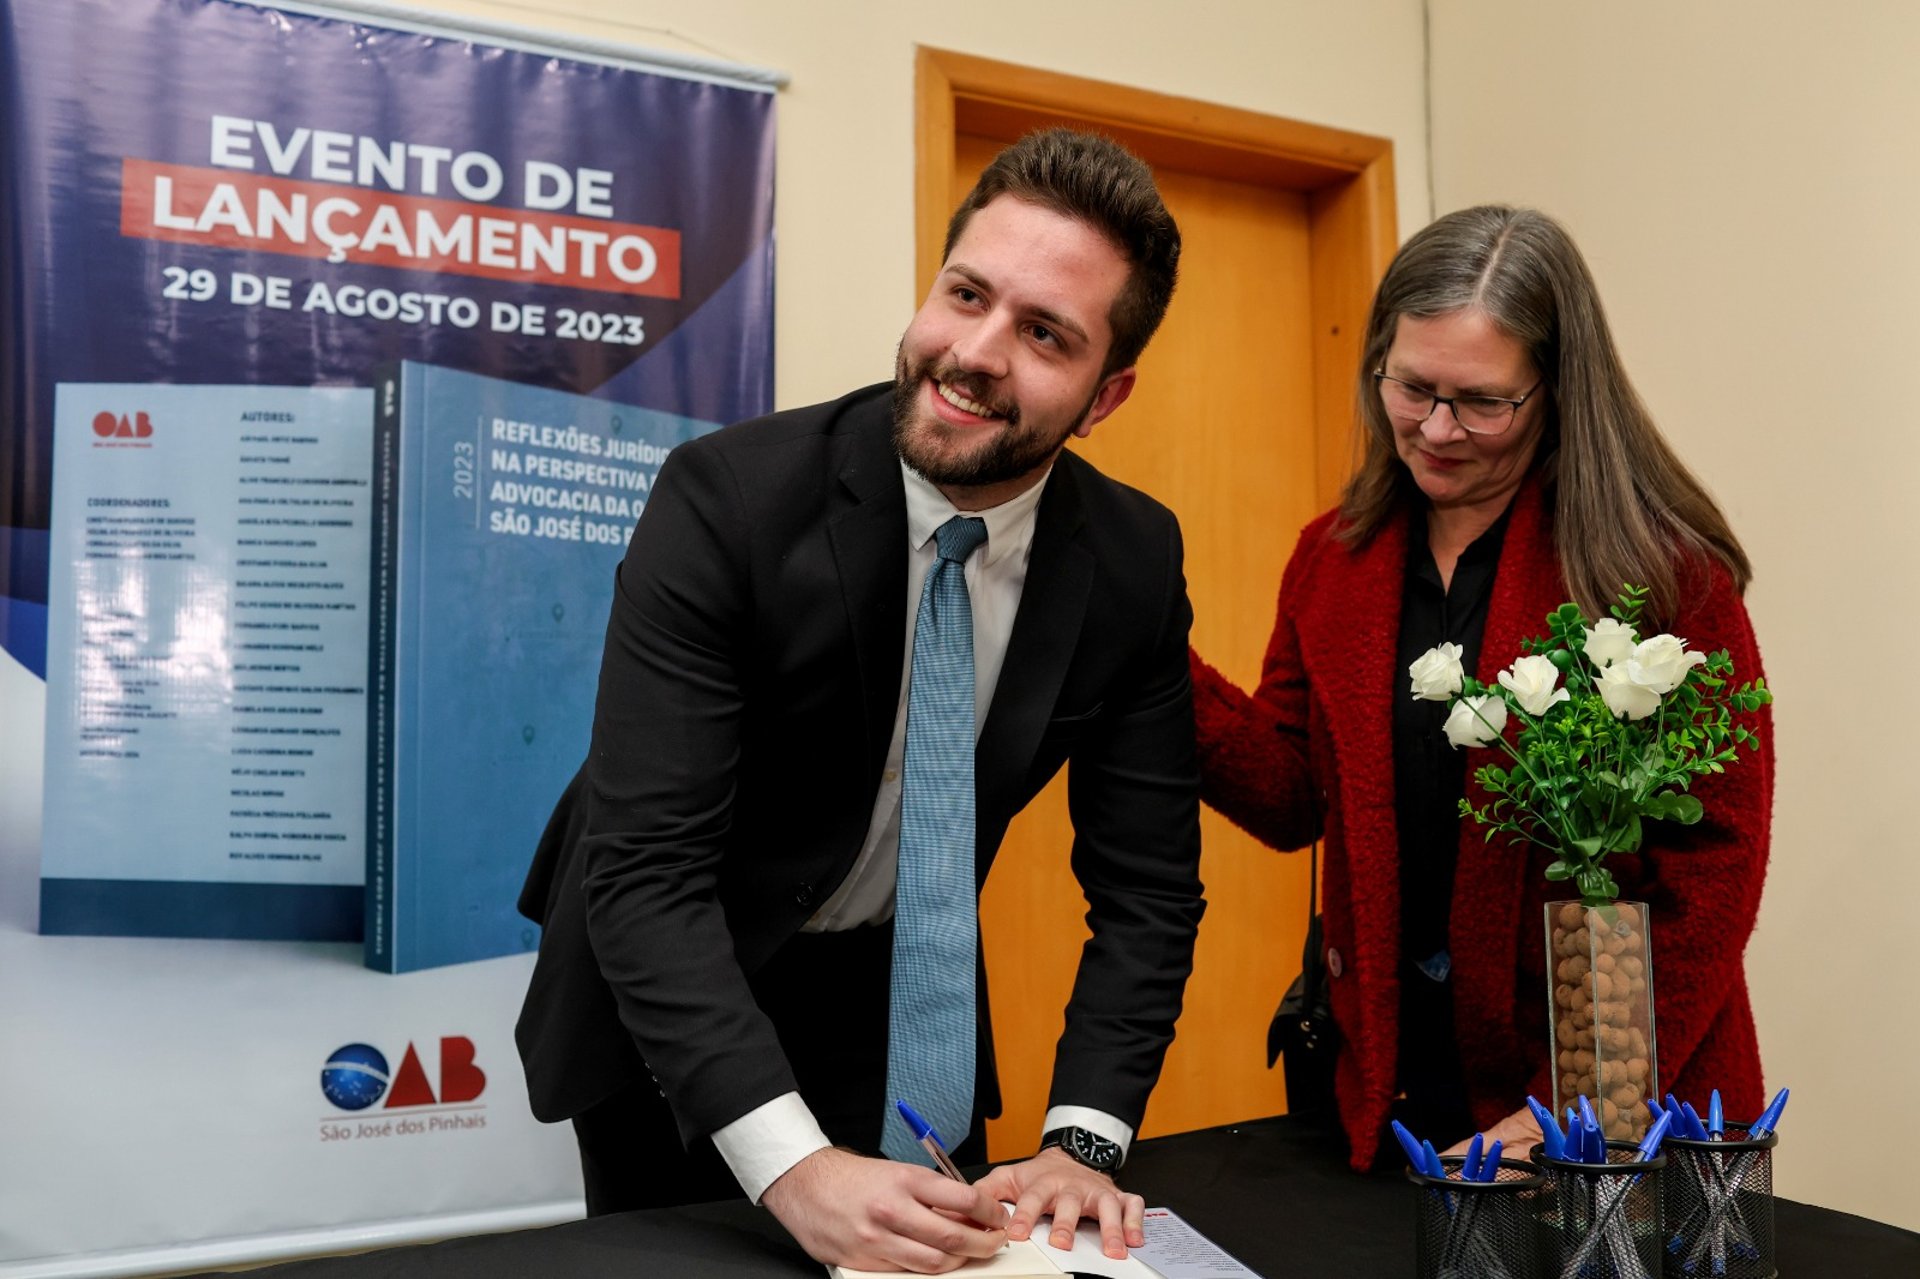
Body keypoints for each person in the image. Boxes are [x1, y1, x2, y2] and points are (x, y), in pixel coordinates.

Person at [515, 128, 1205, 1274]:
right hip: (675, 982)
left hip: (897, 999)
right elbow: (645, 871)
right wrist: (797, 1169)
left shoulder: (1132, 561)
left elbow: (1147, 889)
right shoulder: (729, 500)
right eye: (966, 294)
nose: (975, 353)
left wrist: (1081, 1143)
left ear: (1106, 394)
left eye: (1045, 334)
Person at [1189, 205, 1771, 1170]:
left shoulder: (1660, 572)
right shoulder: (1331, 560)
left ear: (1557, 390)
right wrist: (1152, 660)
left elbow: (1712, 872)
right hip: (1399, 1105)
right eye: (1412, 387)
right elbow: (1295, 794)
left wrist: (1575, 1108)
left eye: (1482, 402)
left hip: (1620, 1114)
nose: (1436, 428)